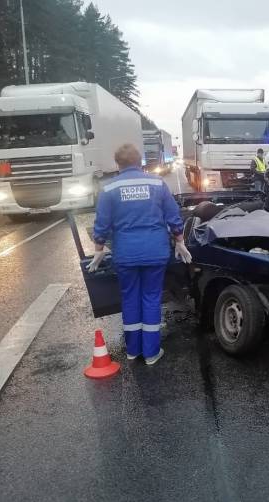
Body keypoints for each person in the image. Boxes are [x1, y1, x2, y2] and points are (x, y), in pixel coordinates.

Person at [87, 144, 192, 363]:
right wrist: (180, 241)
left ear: (118, 164)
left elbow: (102, 224)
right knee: (151, 298)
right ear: (140, 162)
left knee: (130, 298)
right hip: (155, 252)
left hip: (125, 254)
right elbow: (173, 216)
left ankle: (133, 350)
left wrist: (98, 249)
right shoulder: (157, 184)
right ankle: (152, 353)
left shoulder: (109, 189)